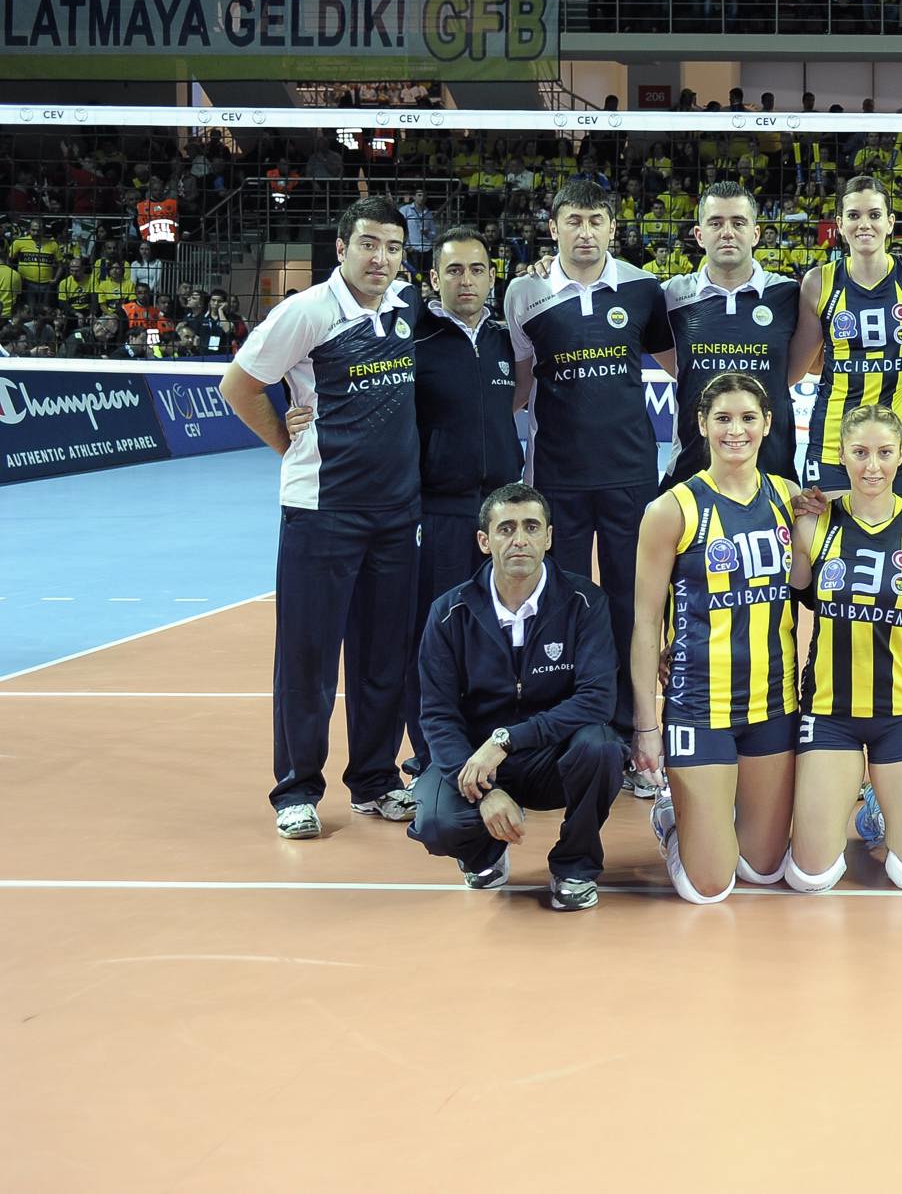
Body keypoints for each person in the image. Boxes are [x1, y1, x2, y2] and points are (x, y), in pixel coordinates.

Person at [220, 197, 421, 840]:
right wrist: (288, 443)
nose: (380, 258)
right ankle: (297, 789)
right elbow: (239, 386)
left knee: (383, 657)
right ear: (342, 248)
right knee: (308, 657)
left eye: (393, 247)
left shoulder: (406, 306)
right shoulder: (307, 311)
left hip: (396, 513)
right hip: (323, 510)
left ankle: (375, 781)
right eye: (368, 244)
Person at [505, 180, 673, 791]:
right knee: (564, 607)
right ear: (554, 228)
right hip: (556, 481)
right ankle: (571, 733)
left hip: (631, 477)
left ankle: (634, 736)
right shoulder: (523, 293)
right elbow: (517, 385)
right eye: (573, 220)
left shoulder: (643, 288)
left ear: (611, 228)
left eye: (595, 220)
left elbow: (683, 370)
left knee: (635, 608)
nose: (585, 232)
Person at [624, 374, 799, 903]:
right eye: (722, 418)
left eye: (747, 418)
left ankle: (719, 820)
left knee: (764, 868)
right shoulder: (671, 509)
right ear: (701, 425)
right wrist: (646, 728)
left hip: (774, 703)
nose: (735, 430)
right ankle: (674, 819)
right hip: (700, 705)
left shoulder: (790, 499)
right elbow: (645, 622)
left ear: (768, 424)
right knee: (709, 886)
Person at [413, 484, 625, 912]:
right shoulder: (449, 613)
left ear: (548, 537)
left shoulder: (585, 603)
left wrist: (507, 740)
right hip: (479, 760)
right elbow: (437, 714)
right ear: (484, 540)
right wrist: (485, 792)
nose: (520, 540)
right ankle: (484, 853)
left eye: (531, 527)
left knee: (602, 748)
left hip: (551, 756)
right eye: (506, 529)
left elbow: (596, 700)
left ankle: (575, 865)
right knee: (436, 823)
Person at [781, 405, 902, 892]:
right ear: (841, 455)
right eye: (860, 453)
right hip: (830, 712)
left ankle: (879, 805)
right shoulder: (812, 527)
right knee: (810, 878)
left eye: (884, 453)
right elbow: (788, 604)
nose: (872, 466)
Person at [408, 226, 522, 777]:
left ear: (492, 277)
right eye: (453, 270)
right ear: (434, 279)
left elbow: (514, 403)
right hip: (441, 512)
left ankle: (492, 748)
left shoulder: (507, 339)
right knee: (438, 633)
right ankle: (432, 755)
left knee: (499, 634)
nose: (466, 280)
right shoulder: (415, 339)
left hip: (501, 513)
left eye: (477, 269)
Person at [795, 176, 902, 498]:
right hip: (833, 441)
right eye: (854, 215)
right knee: (822, 528)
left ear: (890, 223)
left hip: (900, 442)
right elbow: (802, 367)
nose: (864, 224)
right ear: (840, 225)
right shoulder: (818, 282)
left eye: (874, 215)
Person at [661, 182, 799, 489]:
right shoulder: (671, 295)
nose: (727, 232)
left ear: (755, 233)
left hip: (773, 474)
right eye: (716, 223)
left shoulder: (789, 294)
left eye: (738, 223)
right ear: (699, 235)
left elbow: (796, 370)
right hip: (690, 474)